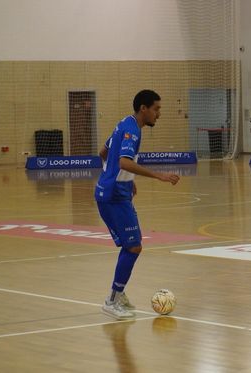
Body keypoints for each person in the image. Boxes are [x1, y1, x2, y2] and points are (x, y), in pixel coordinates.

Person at [96, 90, 180, 319]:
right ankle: (112, 300)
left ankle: (118, 294)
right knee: (133, 246)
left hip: (115, 192)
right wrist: (158, 176)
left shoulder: (123, 123)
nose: (158, 114)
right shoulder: (131, 129)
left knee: (132, 245)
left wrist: (125, 179)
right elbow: (123, 161)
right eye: (156, 109)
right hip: (114, 196)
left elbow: (104, 152)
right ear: (143, 108)